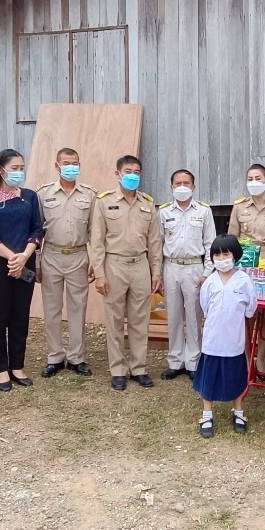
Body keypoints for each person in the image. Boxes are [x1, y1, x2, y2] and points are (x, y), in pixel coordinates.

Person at [90, 155, 163, 391]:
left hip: (140, 265)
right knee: (114, 319)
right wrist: (99, 273)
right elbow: (97, 241)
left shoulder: (147, 203)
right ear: (118, 173)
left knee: (140, 319)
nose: (133, 175)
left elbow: (154, 241)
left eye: (137, 172)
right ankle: (118, 369)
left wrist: (156, 272)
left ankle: (139, 368)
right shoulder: (103, 202)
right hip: (114, 265)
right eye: (128, 171)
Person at [0, 149, 44, 392]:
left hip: (23, 262)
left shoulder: (29, 196)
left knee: (20, 317)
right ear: (0, 169)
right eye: (14, 167)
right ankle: (0, 368)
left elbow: (37, 229)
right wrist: (10, 257)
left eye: (21, 167)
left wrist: (24, 256)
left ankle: (17, 365)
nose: (19, 172)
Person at [37, 148, 97, 378]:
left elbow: (94, 231)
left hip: (79, 256)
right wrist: (38, 262)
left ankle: (76, 357)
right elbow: (37, 231)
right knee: (51, 309)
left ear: (79, 165)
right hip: (51, 255)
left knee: (78, 308)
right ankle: (54, 356)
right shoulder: (43, 194)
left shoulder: (89, 195)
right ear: (56, 166)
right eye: (66, 163)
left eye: (74, 163)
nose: (70, 167)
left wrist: (94, 260)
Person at [193, 234, 257, 438]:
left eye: (226, 254)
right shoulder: (210, 282)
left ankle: (238, 412)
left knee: (235, 376)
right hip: (212, 340)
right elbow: (205, 307)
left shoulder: (244, 281)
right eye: (217, 255)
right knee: (209, 377)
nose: (222, 259)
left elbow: (250, 308)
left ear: (235, 255)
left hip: (234, 341)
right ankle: (206, 414)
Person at [229, 163, 265, 375]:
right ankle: (246, 360)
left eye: (258, 178)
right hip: (245, 264)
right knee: (247, 314)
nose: (254, 183)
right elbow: (231, 240)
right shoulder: (239, 207)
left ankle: (261, 360)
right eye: (250, 178)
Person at [160, 169, 217, 380]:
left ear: (193, 186)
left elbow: (210, 243)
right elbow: (159, 244)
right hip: (171, 266)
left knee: (194, 317)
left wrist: (208, 272)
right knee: (173, 316)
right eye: (177, 183)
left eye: (186, 183)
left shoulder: (203, 211)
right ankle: (175, 361)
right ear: (172, 186)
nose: (182, 187)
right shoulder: (164, 212)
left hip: (195, 268)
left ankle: (193, 362)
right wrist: (157, 274)